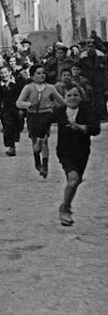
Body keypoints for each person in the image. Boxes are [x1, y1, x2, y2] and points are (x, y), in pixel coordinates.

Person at [46, 86, 101, 226]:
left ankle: (67, 205)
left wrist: (82, 127)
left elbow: (96, 129)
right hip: (65, 152)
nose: (72, 98)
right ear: (64, 98)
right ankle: (64, 209)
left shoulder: (87, 111)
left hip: (82, 152)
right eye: (69, 95)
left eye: (75, 95)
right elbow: (44, 123)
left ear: (80, 97)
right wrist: (40, 139)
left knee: (75, 181)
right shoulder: (60, 112)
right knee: (73, 179)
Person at [16, 64, 66, 178]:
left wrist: (59, 106)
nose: (42, 75)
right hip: (33, 116)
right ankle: (36, 159)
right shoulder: (28, 88)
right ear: (32, 76)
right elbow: (18, 102)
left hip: (46, 115)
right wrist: (29, 104)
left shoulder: (50, 88)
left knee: (44, 140)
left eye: (43, 73)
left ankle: (45, 166)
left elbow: (62, 101)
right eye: (38, 73)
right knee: (35, 141)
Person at [0, 65, 24, 156]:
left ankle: (13, 142)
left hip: (17, 109)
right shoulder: (0, 86)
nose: (4, 75)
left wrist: (22, 109)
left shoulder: (18, 83)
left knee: (18, 127)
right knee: (8, 127)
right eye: (2, 73)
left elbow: (23, 96)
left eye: (5, 72)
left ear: (10, 72)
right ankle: (11, 146)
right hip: (6, 110)